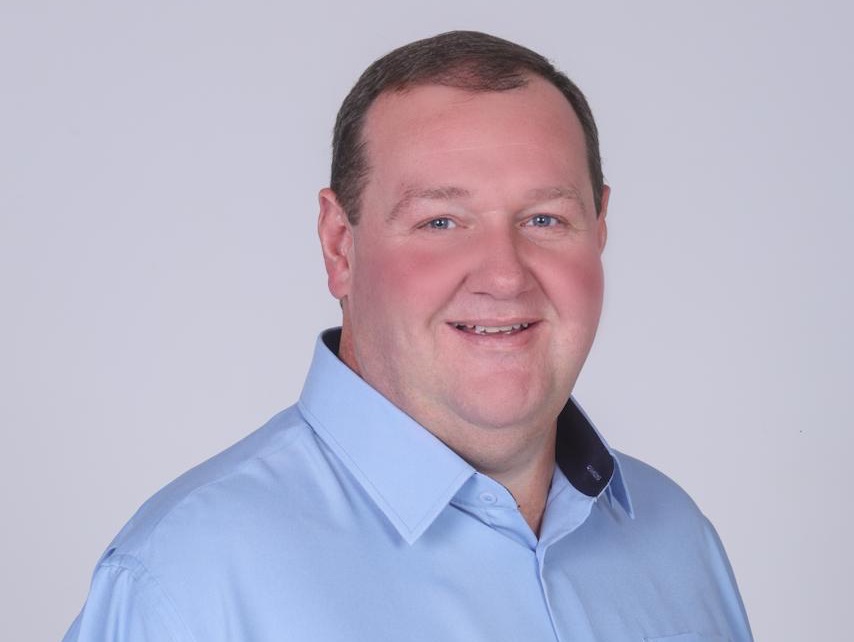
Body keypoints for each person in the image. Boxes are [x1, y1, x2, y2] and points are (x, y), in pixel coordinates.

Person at [63, 31, 753, 641]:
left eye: (545, 219)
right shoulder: (187, 583)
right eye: (440, 223)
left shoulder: (676, 540)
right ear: (340, 245)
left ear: (599, 230)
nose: (504, 276)